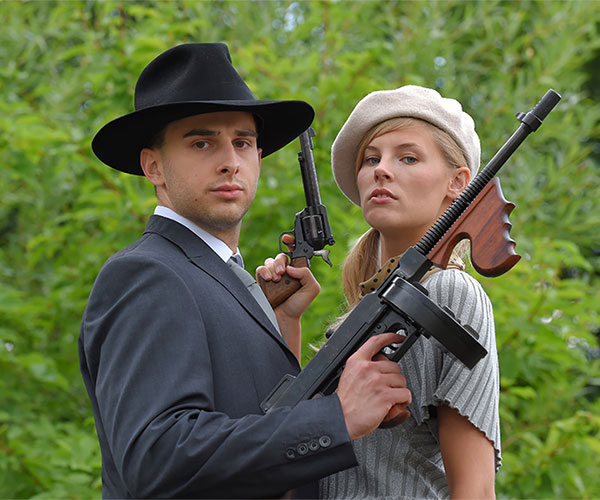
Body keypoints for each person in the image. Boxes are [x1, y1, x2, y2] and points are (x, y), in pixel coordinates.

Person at [78, 42, 413, 499]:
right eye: (201, 143)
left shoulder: (221, 279)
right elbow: (156, 458)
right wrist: (336, 417)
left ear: (258, 157)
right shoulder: (146, 273)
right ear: (153, 166)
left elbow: (254, 429)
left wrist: (282, 323)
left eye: (243, 143)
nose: (229, 162)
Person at [260, 86, 501, 499]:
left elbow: (475, 489)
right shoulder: (369, 308)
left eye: (407, 158)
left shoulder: (451, 292)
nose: (381, 170)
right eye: (372, 159)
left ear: (458, 182)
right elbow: (289, 443)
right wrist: (286, 320)